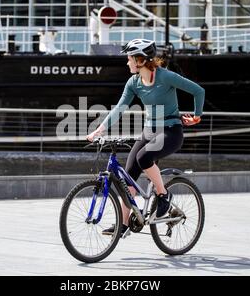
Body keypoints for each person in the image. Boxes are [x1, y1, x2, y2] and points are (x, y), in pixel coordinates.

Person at [86, 38, 205, 237]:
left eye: (129, 58)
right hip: (149, 132)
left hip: (171, 131)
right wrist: (101, 129)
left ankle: (164, 195)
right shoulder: (133, 83)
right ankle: (123, 225)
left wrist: (197, 116)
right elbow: (120, 107)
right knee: (128, 177)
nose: (127, 62)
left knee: (144, 158)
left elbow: (198, 91)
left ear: (140, 60)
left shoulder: (165, 76)